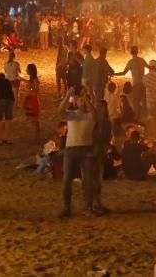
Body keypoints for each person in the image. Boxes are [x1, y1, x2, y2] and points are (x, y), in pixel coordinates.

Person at [59, 86, 96, 218]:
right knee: (67, 179)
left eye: (83, 101)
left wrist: (86, 98)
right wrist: (67, 96)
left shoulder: (89, 116)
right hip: (71, 148)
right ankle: (66, 208)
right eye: (79, 100)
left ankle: (89, 207)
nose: (80, 102)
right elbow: (59, 111)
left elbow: (95, 112)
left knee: (87, 180)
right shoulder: (72, 115)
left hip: (85, 148)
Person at [118, 46, 147, 119]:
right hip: (143, 84)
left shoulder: (130, 62)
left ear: (131, 53)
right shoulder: (142, 60)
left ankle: (137, 119)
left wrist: (114, 74)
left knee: (135, 103)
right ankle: (144, 119)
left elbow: (124, 73)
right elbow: (150, 68)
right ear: (137, 52)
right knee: (144, 102)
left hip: (136, 84)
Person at [24, 63, 41, 143]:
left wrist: (30, 87)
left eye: (27, 69)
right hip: (31, 100)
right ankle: (37, 137)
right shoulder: (32, 79)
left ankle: (35, 139)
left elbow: (37, 90)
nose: (26, 70)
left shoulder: (34, 80)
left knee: (33, 121)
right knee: (35, 121)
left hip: (33, 101)